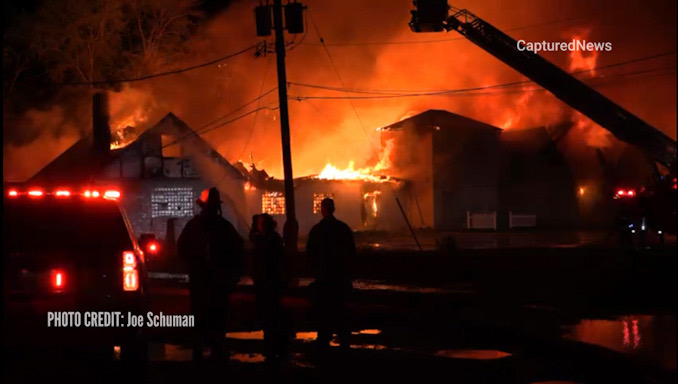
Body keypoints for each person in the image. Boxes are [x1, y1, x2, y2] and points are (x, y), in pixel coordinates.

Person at [177, 187, 243, 360]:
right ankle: (216, 347)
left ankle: (200, 348)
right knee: (217, 314)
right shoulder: (224, 227)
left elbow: (181, 247)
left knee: (200, 313)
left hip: (202, 279)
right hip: (216, 280)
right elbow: (238, 249)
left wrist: (190, 266)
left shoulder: (194, 225)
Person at [306, 198, 356, 350]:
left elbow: (310, 253)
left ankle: (323, 343)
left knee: (324, 313)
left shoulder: (317, 230)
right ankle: (344, 344)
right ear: (333, 209)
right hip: (340, 278)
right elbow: (351, 252)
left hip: (323, 278)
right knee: (340, 311)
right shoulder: (343, 228)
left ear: (323, 209)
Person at [249, 213, 289, 360]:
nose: (259, 225)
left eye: (260, 222)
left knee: (270, 311)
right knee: (270, 311)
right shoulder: (272, 239)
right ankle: (273, 340)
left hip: (268, 280)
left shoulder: (268, 240)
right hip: (268, 280)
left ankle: (272, 343)